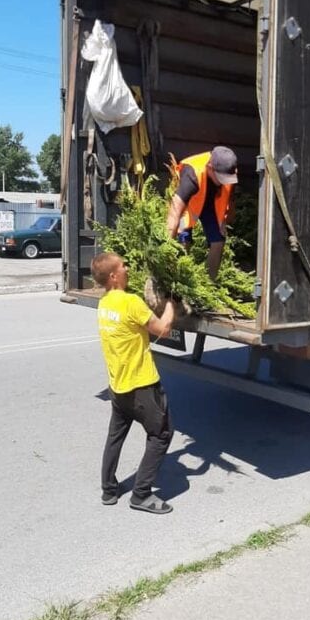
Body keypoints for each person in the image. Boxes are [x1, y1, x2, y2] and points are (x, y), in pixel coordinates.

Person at [91, 252, 175, 514]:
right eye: (123, 266)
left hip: (118, 387)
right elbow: (163, 329)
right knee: (162, 434)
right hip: (142, 386)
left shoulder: (104, 304)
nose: (127, 268)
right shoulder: (131, 303)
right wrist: (172, 301)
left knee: (115, 435)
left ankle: (108, 489)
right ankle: (141, 494)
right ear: (114, 276)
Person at [166, 146, 238, 280]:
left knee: (218, 241)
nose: (225, 181)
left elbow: (229, 195)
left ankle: (208, 285)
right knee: (183, 240)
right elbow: (175, 211)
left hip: (211, 204)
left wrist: (225, 219)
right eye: (221, 178)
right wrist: (166, 245)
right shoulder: (192, 175)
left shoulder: (228, 169)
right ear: (210, 167)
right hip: (188, 205)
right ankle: (180, 281)